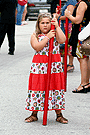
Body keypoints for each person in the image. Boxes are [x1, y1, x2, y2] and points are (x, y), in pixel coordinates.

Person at [25, 13, 68, 124]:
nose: (45, 25)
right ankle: (34, 113)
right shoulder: (35, 35)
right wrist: (47, 38)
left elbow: (63, 40)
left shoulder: (55, 33)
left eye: (47, 23)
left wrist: (57, 27)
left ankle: (59, 114)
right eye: (42, 23)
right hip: (40, 66)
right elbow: (37, 47)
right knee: (37, 87)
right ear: (38, 24)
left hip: (54, 66)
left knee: (55, 87)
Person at [65, 0, 90, 93]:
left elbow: (78, 20)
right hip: (85, 33)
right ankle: (86, 82)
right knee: (85, 58)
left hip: (81, 34)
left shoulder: (82, 3)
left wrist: (69, 15)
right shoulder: (86, 3)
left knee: (82, 58)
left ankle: (84, 83)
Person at [56, 0, 77, 72]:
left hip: (68, 26)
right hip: (65, 25)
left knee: (68, 44)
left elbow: (69, 16)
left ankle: (70, 64)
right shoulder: (69, 2)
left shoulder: (71, 2)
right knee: (64, 44)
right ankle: (64, 62)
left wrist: (59, 17)